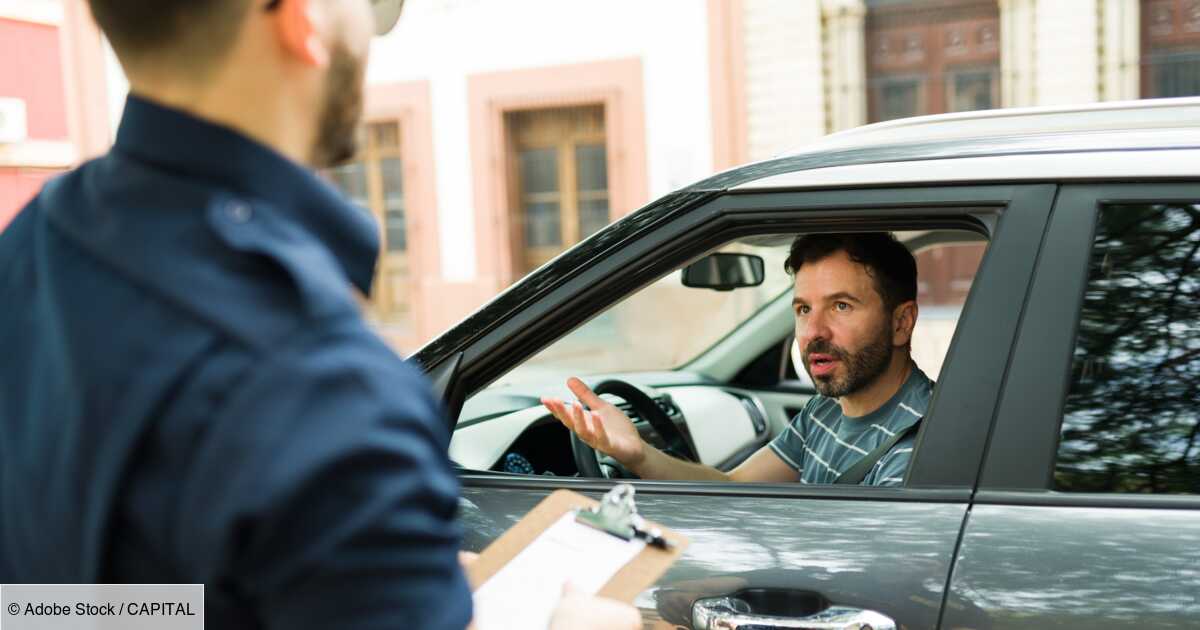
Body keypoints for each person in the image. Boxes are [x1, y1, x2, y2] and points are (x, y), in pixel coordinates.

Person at [0, 1, 637, 628]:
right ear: (303, 20)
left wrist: (378, 578)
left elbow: (50, 609)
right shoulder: (325, 385)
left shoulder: (33, 245)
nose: (373, 30)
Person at [542, 233, 933, 486]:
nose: (813, 331)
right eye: (802, 309)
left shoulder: (917, 450)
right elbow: (732, 487)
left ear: (901, 323)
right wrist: (637, 453)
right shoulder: (825, 410)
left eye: (841, 306)